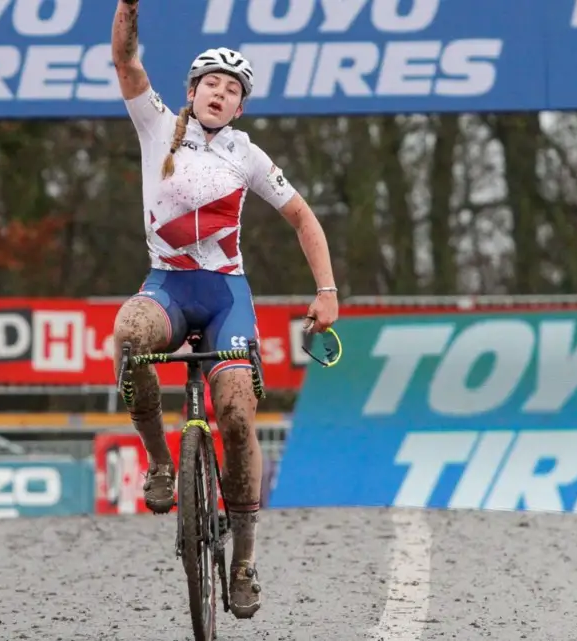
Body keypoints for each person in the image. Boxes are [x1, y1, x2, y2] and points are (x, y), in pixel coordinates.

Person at [109, 0, 338, 620]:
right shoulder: (157, 124)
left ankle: (244, 560)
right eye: (211, 81)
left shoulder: (248, 154)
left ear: (242, 106)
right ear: (191, 91)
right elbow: (126, 60)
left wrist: (326, 293)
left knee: (236, 413)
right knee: (129, 335)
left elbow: (302, 218)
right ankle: (160, 464)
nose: (221, 91)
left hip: (224, 296)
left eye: (233, 88)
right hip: (167, 287)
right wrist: (129, 7)